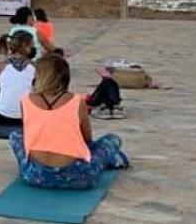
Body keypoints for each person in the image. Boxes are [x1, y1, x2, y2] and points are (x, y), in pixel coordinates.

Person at [8, 55, 129, 190]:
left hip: (35, 175)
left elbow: (30, 135)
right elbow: (86, 138)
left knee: (15, 136)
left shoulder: (25, 100)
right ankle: (112, 159)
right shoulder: (77, 102)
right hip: (79, 177)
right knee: (111, 140)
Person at [0, 31, 35, 125]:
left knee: (0, 83)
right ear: (25, 46)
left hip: (2, 116)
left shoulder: (0, 66)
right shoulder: (35, 67)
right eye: (31, 46)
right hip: (26, 117)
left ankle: (7, 106)